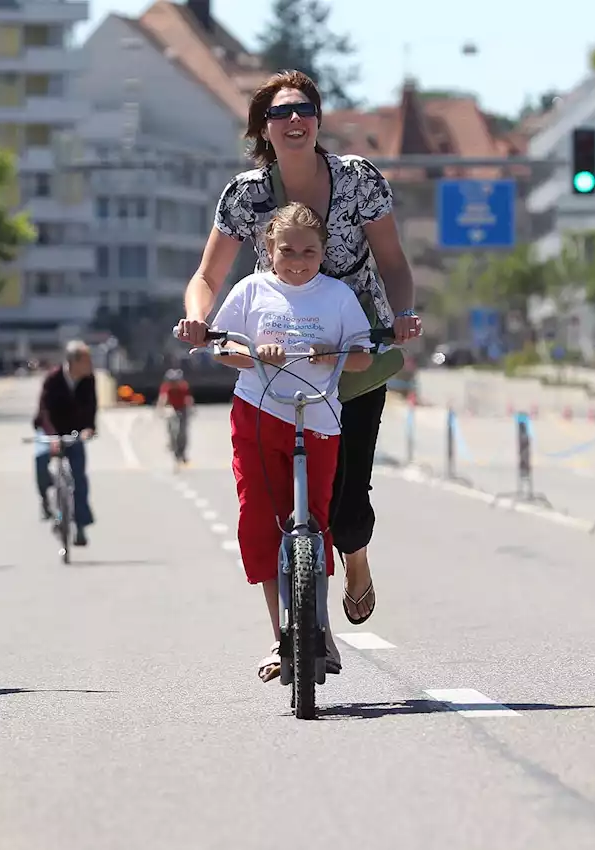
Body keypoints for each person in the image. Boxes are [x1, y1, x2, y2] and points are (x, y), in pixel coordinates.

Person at [175, 69, 422, 627]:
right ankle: (296, 623)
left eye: (304, 111)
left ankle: (354, 558)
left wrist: (403, 315)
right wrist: (197, 319)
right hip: (280, 365)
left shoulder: (358, 180)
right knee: (279, 506)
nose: (294, 121)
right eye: (281, 113)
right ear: (264, 127)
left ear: (318, 120)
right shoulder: (246, 195)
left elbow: (394, 264)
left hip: (352, 355)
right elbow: (208, 277)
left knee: (347, 502)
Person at [206, 202, 375, 682]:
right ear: (268, 250)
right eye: (287, 250)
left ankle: (319, 631)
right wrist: (256, 350)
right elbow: (224, 348)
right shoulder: (251, 291)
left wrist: (335, 353)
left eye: (309, 251)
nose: (298, 260)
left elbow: (361, 357)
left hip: (319, 415)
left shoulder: (338, 296)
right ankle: (282, 634)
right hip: (260, 414)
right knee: (261, 517)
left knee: (315, 523)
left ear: (324, 251)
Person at [34, 340, 97, 545]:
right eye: (87, 361)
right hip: (50, 429)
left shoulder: (89, 380)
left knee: (78, 477)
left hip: (75, 432)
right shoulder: (53, 379)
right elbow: (44, 411)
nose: (90, 365)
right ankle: (46, 498)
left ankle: (80, 526)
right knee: (41, 459)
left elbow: (91, 406)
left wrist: (89, 428)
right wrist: (52, 436)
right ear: (74, 361)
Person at [157, 368, 193, 465]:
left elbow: (188, 399)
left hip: (182, 408)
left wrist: (190, 409)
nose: (173, 384)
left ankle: (182, 452)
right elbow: (163, 398)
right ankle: (173, 446)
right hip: (172, 408)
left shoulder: (183, 386)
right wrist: (160, 408)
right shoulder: (166, 387)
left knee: (182, 432)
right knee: (173, 429)